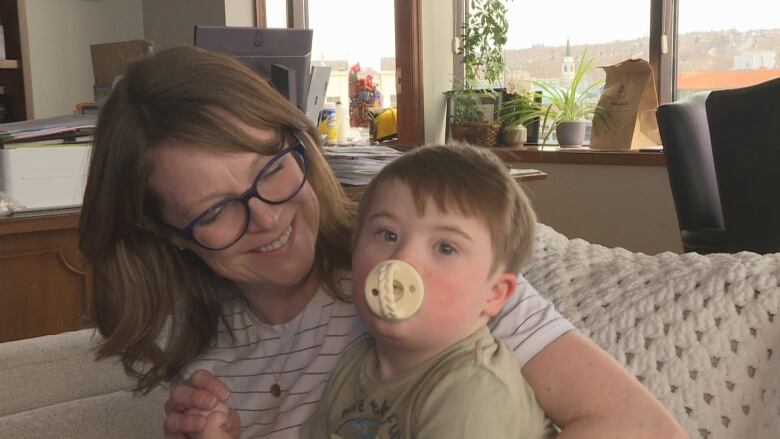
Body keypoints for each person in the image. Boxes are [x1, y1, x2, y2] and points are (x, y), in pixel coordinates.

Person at [79, 46, 686, 439]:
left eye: (270, 170)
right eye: (215, 210)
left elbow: (645, 429)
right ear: (167, 234)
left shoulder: (438, 277)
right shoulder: (197, 348)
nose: (265, 217)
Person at [194, 144, 556, 438]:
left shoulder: (474, 392)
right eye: (387, 235)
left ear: (494, 295)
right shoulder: (357, 366)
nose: (401, 259)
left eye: (445, 247)